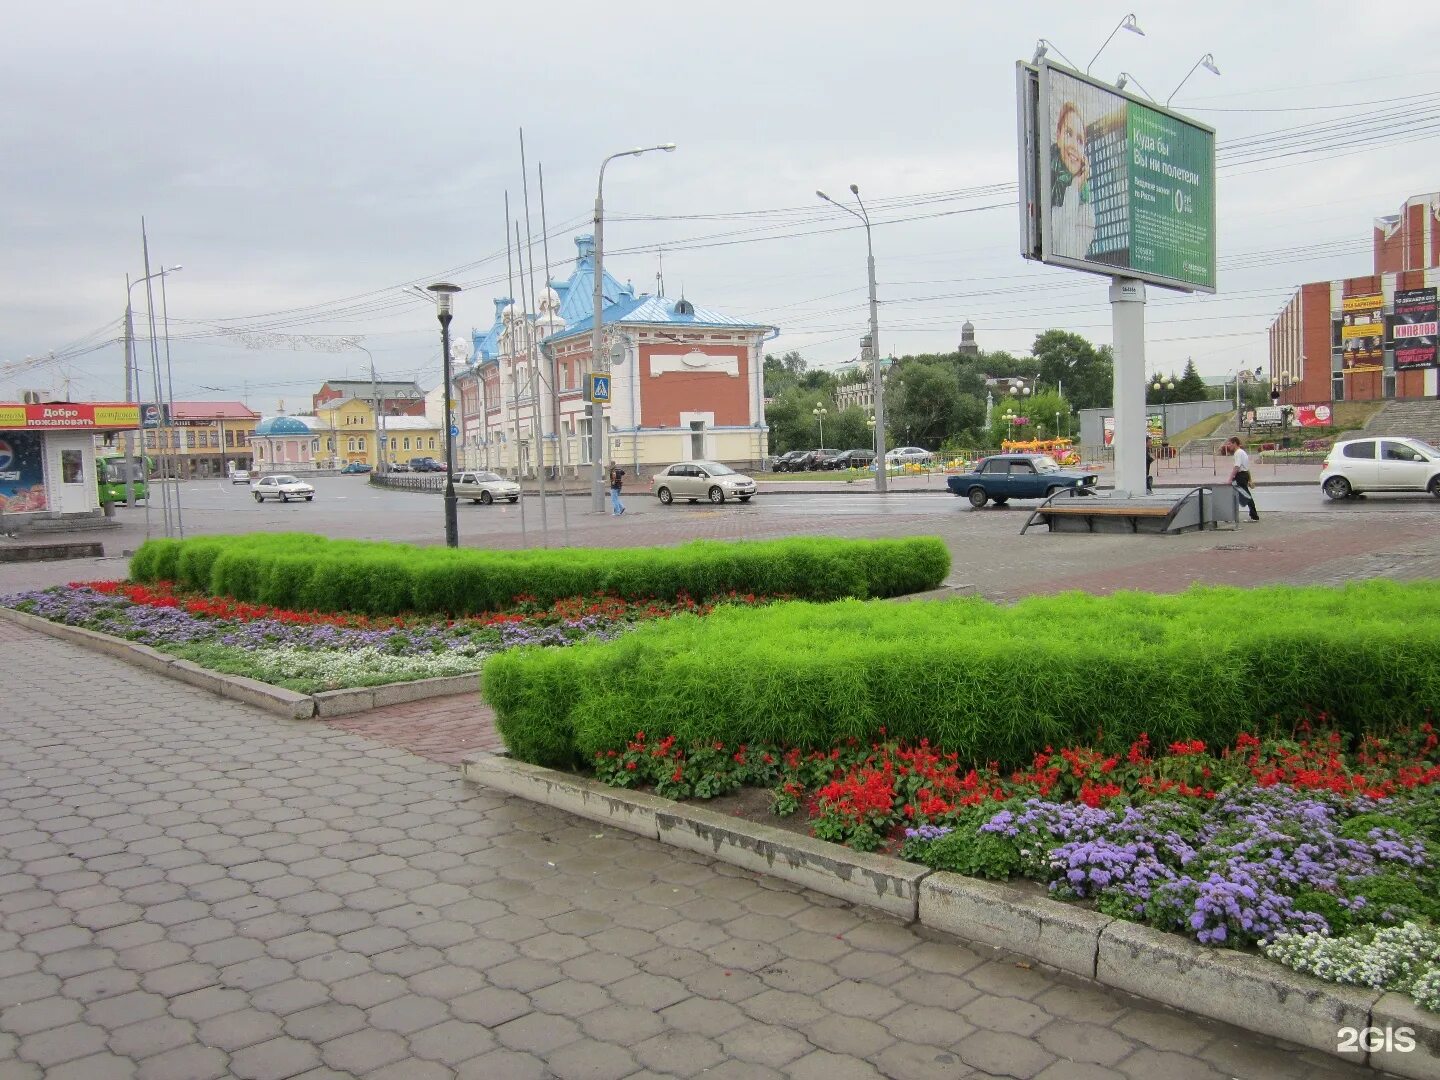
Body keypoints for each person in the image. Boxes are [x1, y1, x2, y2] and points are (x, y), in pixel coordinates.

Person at [1049, 100, 1095, 259]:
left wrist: (1074, 188)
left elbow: (1066, 253)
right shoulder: (1043, 183)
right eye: (1068, 133)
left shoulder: (1086, 213)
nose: (1075, 146)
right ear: (1058, 135)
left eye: (1080, 140)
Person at [1226, 437, 1259, 521]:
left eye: (1230, 444)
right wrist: (1249, 479)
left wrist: (1230, 478)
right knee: (1240, 494)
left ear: (1234, 443)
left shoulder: (1238, 453)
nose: (1228, 446)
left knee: (1245, 495)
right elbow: (1247, 468)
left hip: (1240, 475)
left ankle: (1254, 516)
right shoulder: (1242, 452)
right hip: (1244, 475)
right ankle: (1230, 514)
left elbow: (1237, 466)